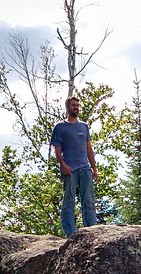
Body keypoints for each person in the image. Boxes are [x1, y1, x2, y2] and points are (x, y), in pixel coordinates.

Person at [50, 96, 99, 236]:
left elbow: (89, 149)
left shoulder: (83, 126)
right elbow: (57, 149)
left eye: (77, 105)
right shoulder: (60, 127)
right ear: (67, 107)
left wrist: (94, 168)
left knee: (88, 200)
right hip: (70, 169)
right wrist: (63, 165)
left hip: (85, 168)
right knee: (69, 201)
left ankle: (91, 231)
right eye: (73, 105)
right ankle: (70, 233)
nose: (76, 107)